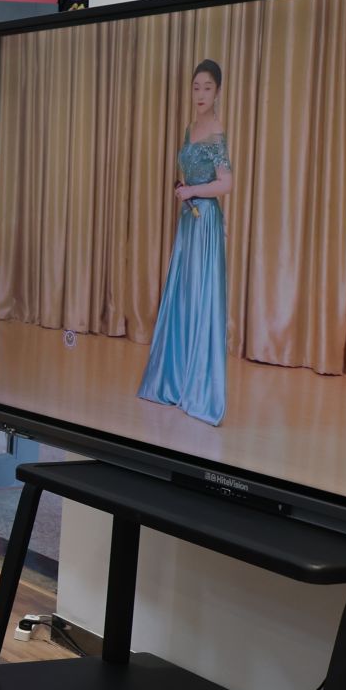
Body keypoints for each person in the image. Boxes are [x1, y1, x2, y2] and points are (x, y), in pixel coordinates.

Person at [138, 59, 233, 426]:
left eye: (207, 87)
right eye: (196, 87)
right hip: (188, 220)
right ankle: (175, 381)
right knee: (183, 295)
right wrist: (184, 188)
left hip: (204, 221)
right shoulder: (189, 128)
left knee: (201, 298)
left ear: (218, 92)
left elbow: (226, 183)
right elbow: (191, 173)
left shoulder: (217, 131)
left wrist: (192, 191)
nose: (200, 94)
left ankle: (200, 390)